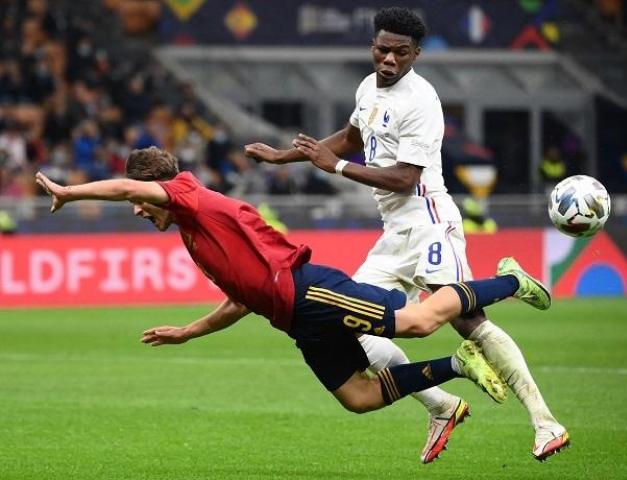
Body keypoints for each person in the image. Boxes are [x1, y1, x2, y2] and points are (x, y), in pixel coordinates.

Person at [34, 146, 552, 459]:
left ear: (157, 188)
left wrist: (69, 191)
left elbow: (129, 189)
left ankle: (510, 281)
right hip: (295, 320)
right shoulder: (194, 229)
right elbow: (241, 301)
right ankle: (458, 365)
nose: (139, 212)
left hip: (311, 292)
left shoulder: (187, 195)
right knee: (358, 397)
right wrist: (188, 331)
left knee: (418, 321)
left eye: (142, 204)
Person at [244, 6, 569, 463]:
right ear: (372, 47)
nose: (389, 59)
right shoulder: (367, 87)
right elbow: (352, 138)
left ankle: (545, 421)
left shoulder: (422, 102)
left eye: (400, 52)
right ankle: (441, 405)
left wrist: (333, 167)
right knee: (353, 324)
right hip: (393, 232)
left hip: (429, 220)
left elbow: (404, 178)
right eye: (382, 49)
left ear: (415, 54)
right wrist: (284, 157)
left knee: (465, 321)